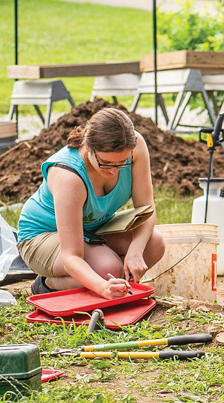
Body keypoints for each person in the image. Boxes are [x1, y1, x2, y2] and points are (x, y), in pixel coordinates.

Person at [17, 108, 164, 299]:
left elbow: (147, 209)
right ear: (88, 147)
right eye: (106, 163)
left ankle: (100, 277)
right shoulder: (68, 176)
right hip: (41, 235)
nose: (113, 171)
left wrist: (135, 251)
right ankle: (47, 284)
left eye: (122, 163)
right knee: (108, 269)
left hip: (91, 228)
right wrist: (102, 287)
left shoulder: (136, 147)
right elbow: (72, 256)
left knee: (154, 244)